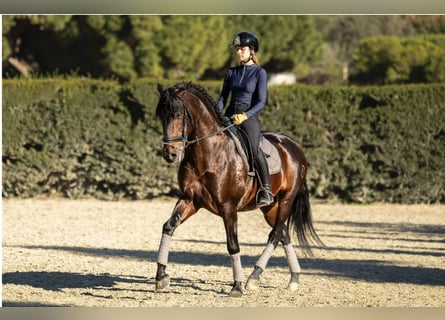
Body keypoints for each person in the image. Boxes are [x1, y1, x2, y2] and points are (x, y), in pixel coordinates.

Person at [216, 31, 273, 207]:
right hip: (229, 115)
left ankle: (266, 189)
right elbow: (222, 98)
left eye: (242, 49)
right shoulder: (231, 72)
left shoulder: (259, 73)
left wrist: (245, 115)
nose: (239, 52)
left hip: (248, 117)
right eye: (237, 49)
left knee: (255, 150)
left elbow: (262, 101)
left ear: (252, 50)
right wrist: (215, 114)